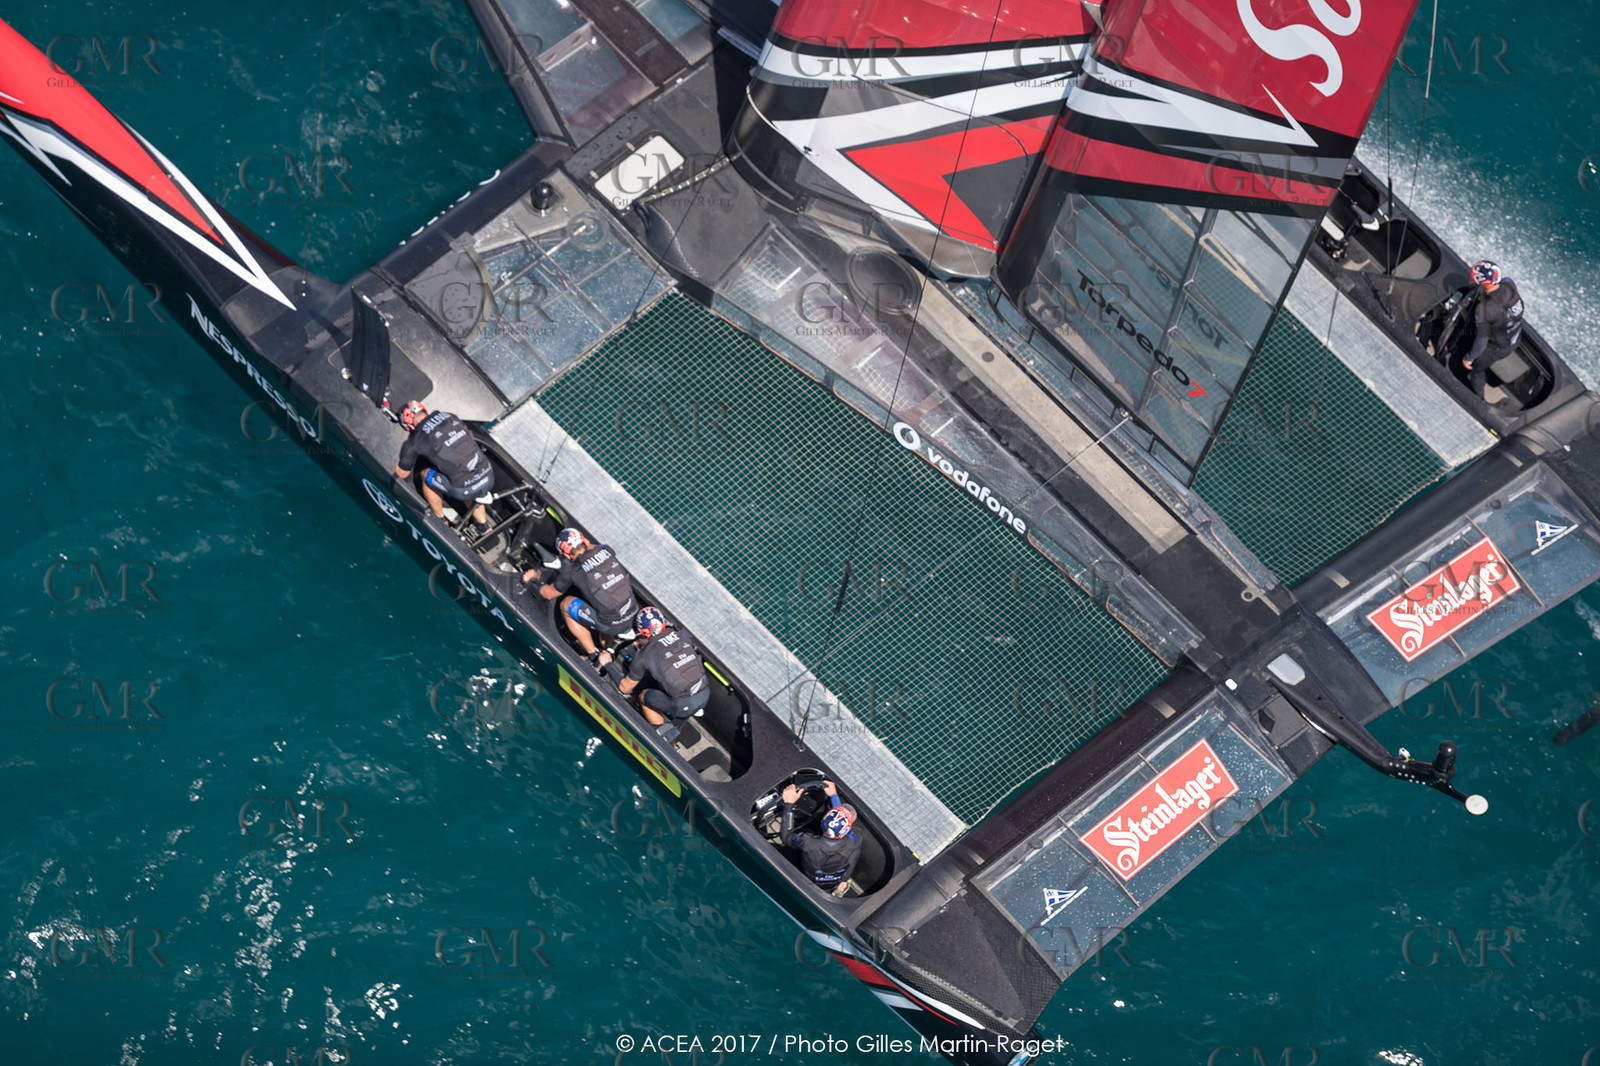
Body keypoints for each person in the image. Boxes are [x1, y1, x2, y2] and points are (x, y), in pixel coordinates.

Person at [522, 528, 638, 661]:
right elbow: (592, 549)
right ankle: (606, 648)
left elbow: (548, 594)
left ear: (565, 555)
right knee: (606, 604)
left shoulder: (572, 571)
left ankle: (592, 654)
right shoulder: (606, 549)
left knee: (566, 604)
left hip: (611, 622)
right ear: (584, 540)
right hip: (632, 610)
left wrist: (531, 580)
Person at [393, 401, 494, 536]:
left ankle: (440, 520)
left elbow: (402, 473)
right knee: (465, 473)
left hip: (464, 489)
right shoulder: (448, 416)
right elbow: (463, 427)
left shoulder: (416, 439)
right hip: (488, 475)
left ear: (408, 425)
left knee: (426, 475)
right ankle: (484, 528)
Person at [615, 606, 710, 727]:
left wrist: (607, 662)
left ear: (642, 631)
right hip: (705, 692)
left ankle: (662, 731)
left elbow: (625, 688)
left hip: (682, 705)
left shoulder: (645, 654)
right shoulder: (680, 635)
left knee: (644, 696)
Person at [779, 779, 860, 896]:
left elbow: (786, 837)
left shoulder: (808, 842)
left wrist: (788, 804)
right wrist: (834, 796)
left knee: (804, 833)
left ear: (822, 822)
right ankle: (839, 886)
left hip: (809, 875)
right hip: (831, 882)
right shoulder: (852, 840)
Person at [1459, 260, 1525, 398]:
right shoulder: (1509, 286)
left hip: (1496, 348)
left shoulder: (1484, 310)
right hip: (1515, 337)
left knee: (1477, 369)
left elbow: (1481, 343)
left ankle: (1479, 399)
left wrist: (1469, 358)